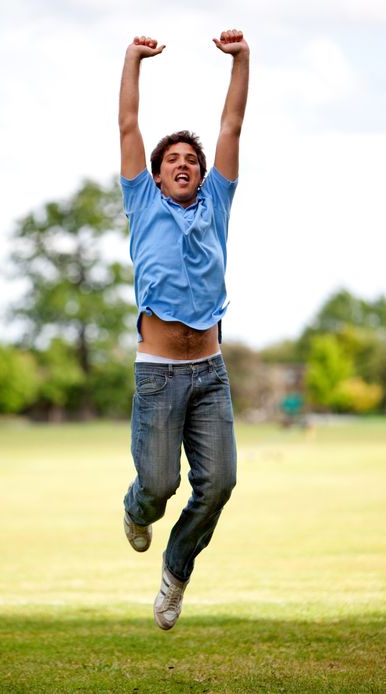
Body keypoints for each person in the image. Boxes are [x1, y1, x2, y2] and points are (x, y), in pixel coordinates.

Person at [119, 29, 249, 630]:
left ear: (202, 174)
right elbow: (128, 126)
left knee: (219, 482)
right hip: (158, 375)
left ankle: (175, 573)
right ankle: (136, 508)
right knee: (158, 485)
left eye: (191, 160)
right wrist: (133, 61)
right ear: (155, 175)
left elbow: (231, 127)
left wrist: (241, 60)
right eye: (172, 159)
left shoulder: (216, 204)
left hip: (210, 374)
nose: (183, 164)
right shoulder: (142, 203)